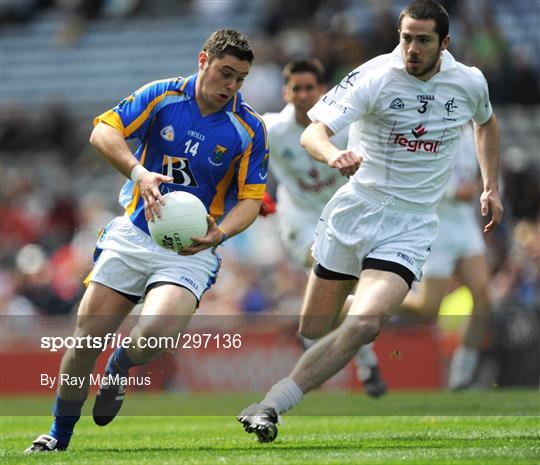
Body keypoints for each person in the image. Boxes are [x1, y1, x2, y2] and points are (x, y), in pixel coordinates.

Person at [238, 0, 502, 443]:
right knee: (313, 328)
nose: (412, 49)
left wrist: (489, 184)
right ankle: (355, 300)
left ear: (445, 43)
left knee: (365, 324)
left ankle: (271, 405)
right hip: (355, 210)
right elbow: (312, 132)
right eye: (406, 38)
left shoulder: (468, 81)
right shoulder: (375, 75)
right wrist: (332, 154)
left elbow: (487, 123)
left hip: (412, 223)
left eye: (422, 40)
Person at [27, 29, 268, 453]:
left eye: (240, 78)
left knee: (155, 333)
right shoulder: (162, 96)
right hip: (134, 234)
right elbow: (103, 131)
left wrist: (221, 233)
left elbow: (251, 200)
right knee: (85, 343)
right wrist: (138, 172)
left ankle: (119, 368)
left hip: (190, 250)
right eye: (225, 73)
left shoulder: (248, 128)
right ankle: (56, 438)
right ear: (203, 61)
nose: (230, 85)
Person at [264, 59, 386, 397]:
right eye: (296, 88)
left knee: (342, 294)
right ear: (285, 92)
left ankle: (354, 353)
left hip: (346, 218)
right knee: (330, 271)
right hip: (300, 222)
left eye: (309, 88)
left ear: (323, 91)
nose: (303, 95)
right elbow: (239, 156)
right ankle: (363, 355)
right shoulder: (271, 129)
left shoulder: (348, 127)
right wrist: (252, 193)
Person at [401, 123, 491, 390]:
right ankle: (369, 297)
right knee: (427, 309)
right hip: (437, 227)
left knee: (484, 295)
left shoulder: (474, 130)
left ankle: (462, 376)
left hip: (464, 225)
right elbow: (413, 177)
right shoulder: (431, 127)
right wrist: (453, 192)